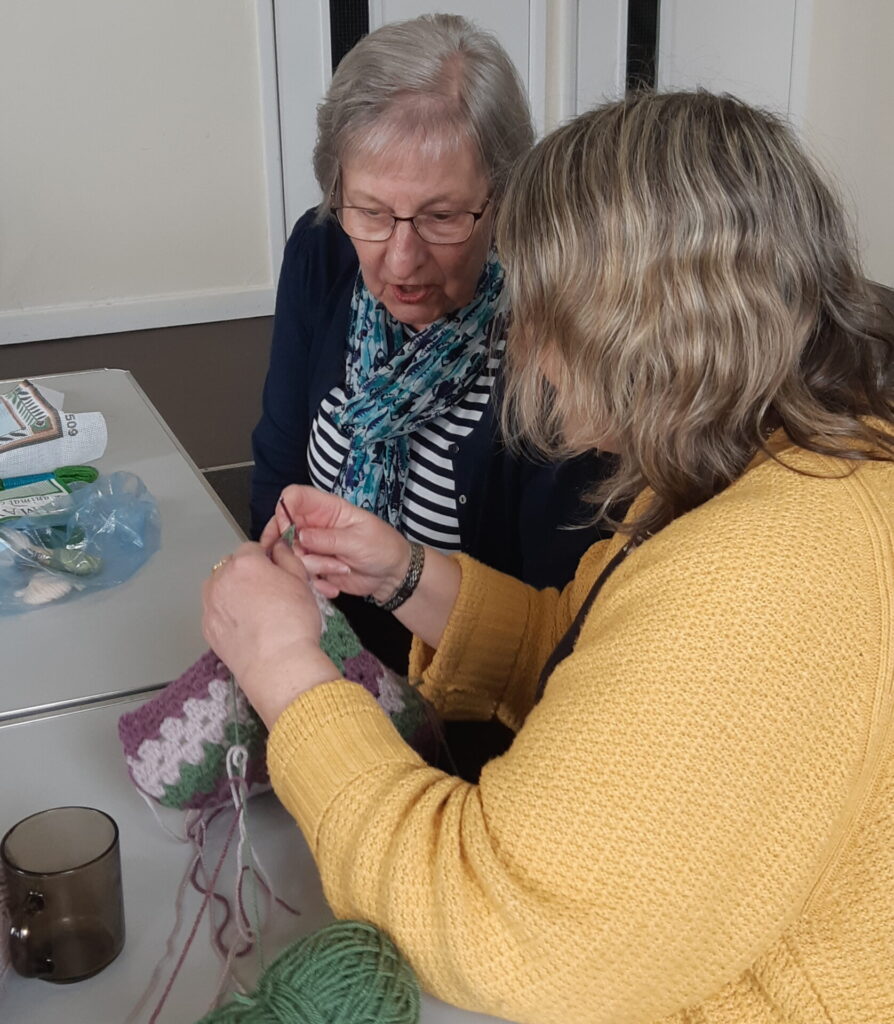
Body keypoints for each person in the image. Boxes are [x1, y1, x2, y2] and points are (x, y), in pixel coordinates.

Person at [205, 91, 894, 1024]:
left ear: (639, 332)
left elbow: (497, 932)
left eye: (537, 311)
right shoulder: (760, 461)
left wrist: (286, 672)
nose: (521, 343)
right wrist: (405, 574)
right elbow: (604, 656)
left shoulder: (772, 572)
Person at [250, 13, 609, 679]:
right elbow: (277, 462)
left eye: (443, 216)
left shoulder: (552, 332)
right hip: (315, 649)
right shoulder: (321, 251)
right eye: (373, 212)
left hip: (467, 699)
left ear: (503, 198)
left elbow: (555, 631)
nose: (403, 259)